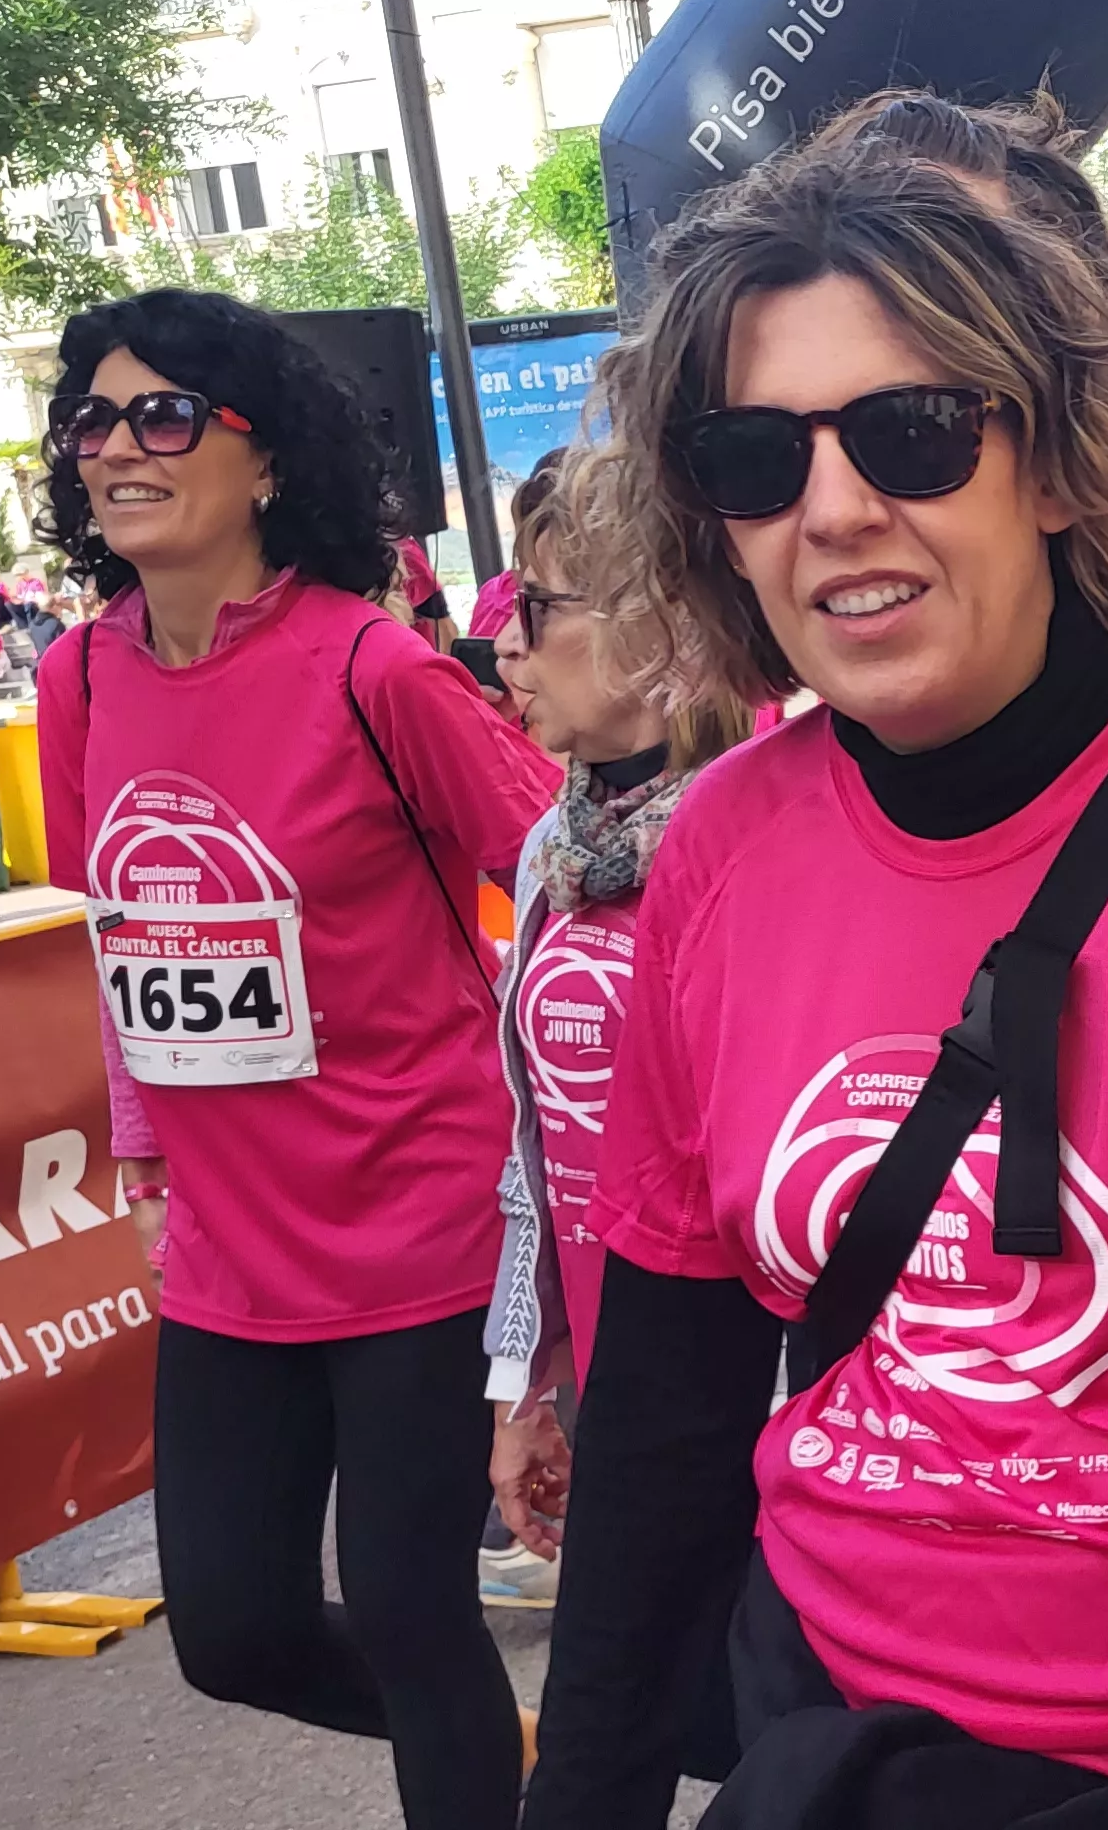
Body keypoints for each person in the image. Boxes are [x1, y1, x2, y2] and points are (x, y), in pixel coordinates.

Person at [523, 136, 1108, 1830]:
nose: (834, 510)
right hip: (831, 1748)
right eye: (756, 457)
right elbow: (665, 1415)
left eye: (914, 432)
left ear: (1055, 461)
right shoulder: (718, 847)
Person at [34, 288, 560, 1829]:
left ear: (265, 461)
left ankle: (475, 1759)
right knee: (233, 1633)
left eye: (164, 415)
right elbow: (121, 933)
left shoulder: (371, 670)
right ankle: (506, 1749)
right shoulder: (77, 680)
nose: (118, 447)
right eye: (93, 420)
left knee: (409, 1610)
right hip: (230, 1250)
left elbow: (563, 882)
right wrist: (143, 1141)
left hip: (422, 1226)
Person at [471, 451, 755, 1616]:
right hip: (613, 1377)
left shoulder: (763, 840)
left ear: (662, 631)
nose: (507, 648)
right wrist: (522, 1386)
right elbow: (533, 1153)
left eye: (537, 610)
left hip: (757, 1400)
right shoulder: (556, 848)